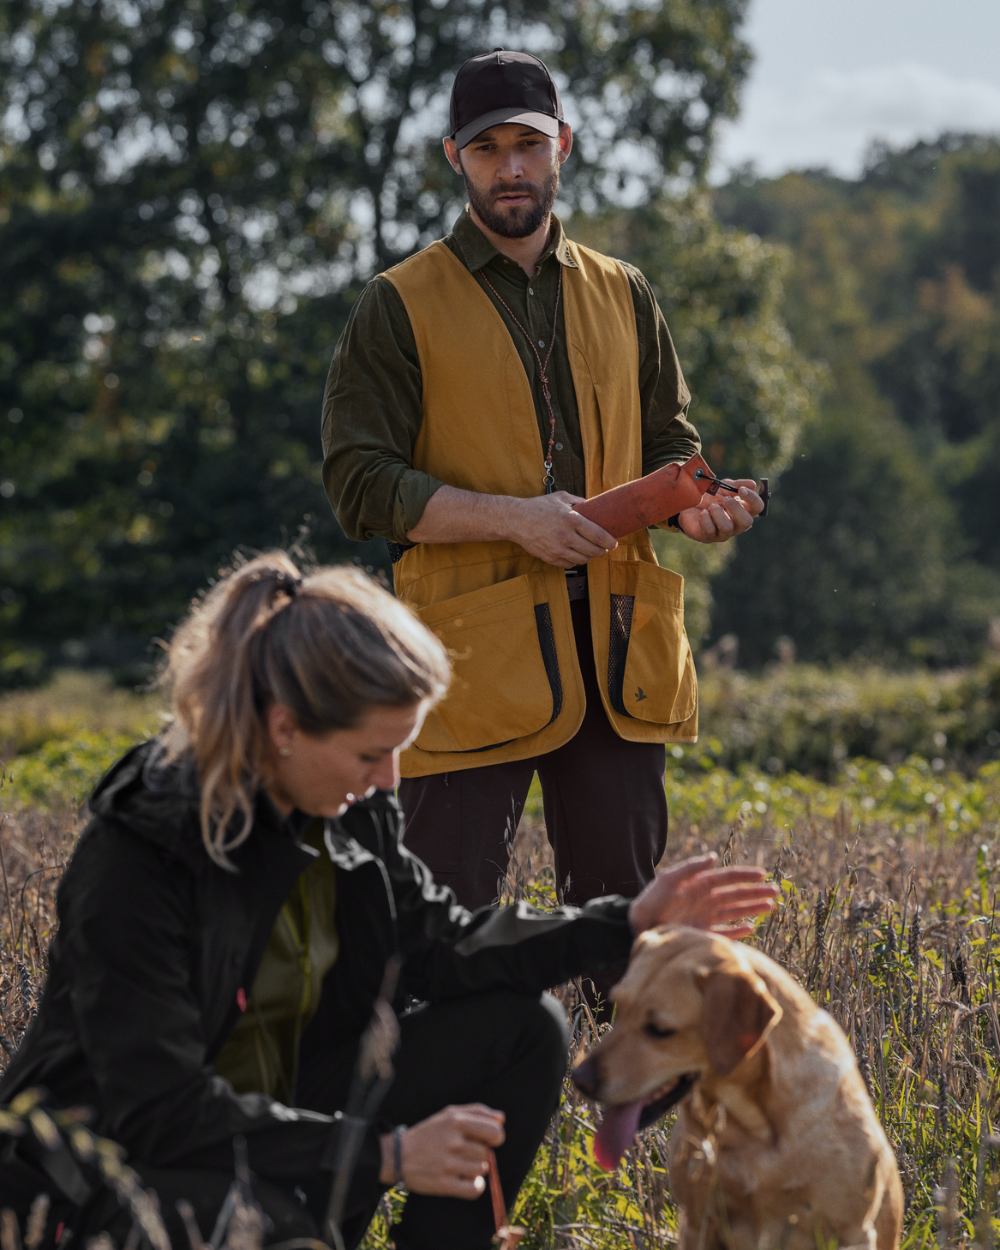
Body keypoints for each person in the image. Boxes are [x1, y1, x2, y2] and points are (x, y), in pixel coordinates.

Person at [0, 552, 776, 1250]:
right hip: (110, 1175)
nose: (391, 781)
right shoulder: (142, 855)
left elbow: (440, 945)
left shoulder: (347, 806)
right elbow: (160, 1112)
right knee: (275, 1233)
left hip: (289, 1125)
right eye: (374, 753)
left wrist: (628, 920)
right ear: (284, 730)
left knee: (524, 1031)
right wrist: (387, 1156)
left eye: (402, 750)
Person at [321, 48, 766, 918]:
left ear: (564, 144)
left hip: (618, 659)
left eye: (528, 144)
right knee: (442, 938)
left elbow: (671, 442)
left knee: (623, 935)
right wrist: (513, 520)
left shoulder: (626, 291)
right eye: (488, 150)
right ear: (455, 157)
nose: (511, 168)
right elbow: (359, 485)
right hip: (467, 656)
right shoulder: (396, 302)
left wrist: (700, 512)